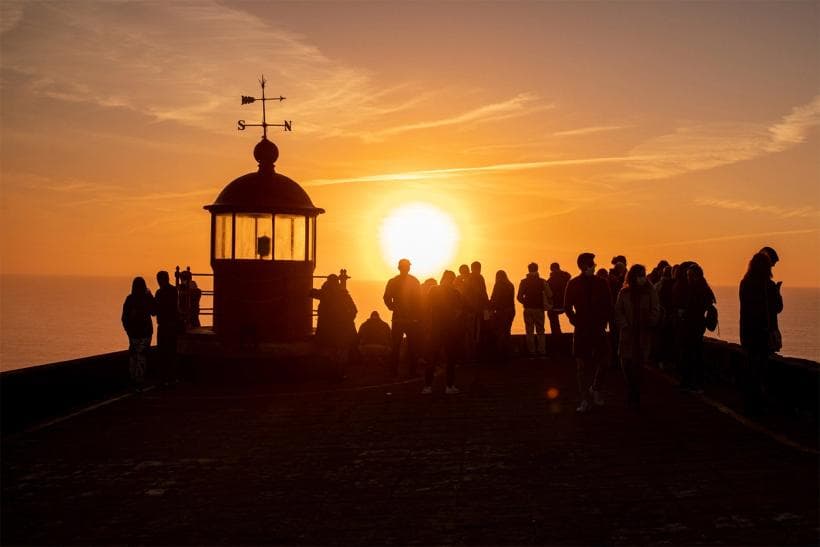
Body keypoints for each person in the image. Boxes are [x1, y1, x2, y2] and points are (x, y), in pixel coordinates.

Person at [565, 253, 612, 413]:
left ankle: (596, 388)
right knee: (581, 366)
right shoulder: (573, 283)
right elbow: (567, 306)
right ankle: (584, 399)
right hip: (582, 329)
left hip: (598, 328)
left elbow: (608, 304)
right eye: (592, 263)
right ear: (584, 266)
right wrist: (575, 321)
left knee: (605, 360)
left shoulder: (602, 283)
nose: (595, 265)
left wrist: (605, 320)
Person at [739, 252, 783, 416]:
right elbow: (777, 308)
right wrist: (777, 292)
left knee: (750, 369)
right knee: (760, 370)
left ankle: (749, 404)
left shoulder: (744, 283)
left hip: (748, 333)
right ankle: (758, 405)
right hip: (763, 334)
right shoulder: (768, 286)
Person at [615, 265, 660, 409]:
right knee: (625, 363)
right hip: (628, 334)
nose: (642, 278)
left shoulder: (650, 292)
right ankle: (631, 388)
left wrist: (651, 321)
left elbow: (655, 309)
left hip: (643, 333)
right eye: (639, 275)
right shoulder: (624, 293)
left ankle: (636, 393)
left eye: (643, 275)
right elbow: (618, 311)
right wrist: (624, 324)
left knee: (639, 364)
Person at [676, 263, 716, 393]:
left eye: (690, 276)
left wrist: (684, 313)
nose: (688, 278)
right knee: (689, 355)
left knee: (693, 355)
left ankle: (693, 382)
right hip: (694, 326)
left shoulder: (700, 290)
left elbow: (696, 308)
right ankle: (689, 382)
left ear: (697, 276)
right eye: (688, 275)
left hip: (694, 326)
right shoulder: (702, 289)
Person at [424, 270, 463, 395]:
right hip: (450, 329)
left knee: (432, 358)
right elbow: (459, 312)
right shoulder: (455, 292)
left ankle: (428, 386)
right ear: (451, 280)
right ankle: (449, 386)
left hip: (435, 328)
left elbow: (426, 308)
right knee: (451, 358)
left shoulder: (433, 290)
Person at [311, 274, 358, 373]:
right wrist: (348, 320)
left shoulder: (325, 292)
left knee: (330, 350)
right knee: (340, 351)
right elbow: (354, 310)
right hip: (340, 328)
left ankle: (331, 371)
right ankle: (339, 372)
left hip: (326, 328)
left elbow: (311, 293)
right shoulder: (343, 294)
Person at [383, 258, 421, 377]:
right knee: (411, 346)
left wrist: (393, 307)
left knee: (397, 345)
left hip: (401, 318)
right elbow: (419, 300)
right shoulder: (414, 281)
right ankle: (411, 371)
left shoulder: (394, 281)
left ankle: (394, 371)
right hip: (408, 319)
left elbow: (386, 298)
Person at [121, 277, 154, 390]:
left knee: (134, 355)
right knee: (142, 355)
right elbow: (154, 312)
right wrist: (150, 295)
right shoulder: (146, 298)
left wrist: (128, 331)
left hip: (133, 333)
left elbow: (124, 318)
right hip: (146, 332)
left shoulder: (129, 299)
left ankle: (133, 379)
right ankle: (140, 379)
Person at [517, 262, 553, 358]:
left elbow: (519, 297)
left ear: (528, 270)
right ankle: (542, 351)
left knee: (529, 331)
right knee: (540, 330)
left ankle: (532, 352)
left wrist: (525, 302)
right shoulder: (542, 281)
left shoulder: (523, 282)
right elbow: (550, 294)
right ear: (537, 269)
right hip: (539, 309)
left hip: (528, 309)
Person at [154, 270, 179, 386]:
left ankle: (163, 378)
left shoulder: (159, 293)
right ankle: (172, 377)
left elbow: (155, 310)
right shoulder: (174, 291)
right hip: (172, 326)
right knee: (171, 353)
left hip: (164, 326)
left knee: (163, 353)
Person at [489, 269, 515, 359]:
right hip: (511, 311)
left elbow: (494, 298)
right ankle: (508, 352)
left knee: (500, 332)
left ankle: (500, 353)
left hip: (502, 312)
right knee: (507, 331)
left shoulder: (499, 285)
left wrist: (489, 306)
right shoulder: (510, 285)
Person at [468, 261, 491, 361]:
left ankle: (472, 353)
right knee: (477, 331)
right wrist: (487, 304)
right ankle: (476, 353)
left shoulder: (468, 278)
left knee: (472, 331)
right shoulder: (478, 278)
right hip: (478, 309)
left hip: (472, 309)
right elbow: (482, 292)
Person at [546, 262, 571, 335]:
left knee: (551, 314)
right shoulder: (567, 277)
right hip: (567, 304)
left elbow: (548, 294)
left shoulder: (550, 280)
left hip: (556, 306)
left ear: (552, 270)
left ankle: (556, 333)